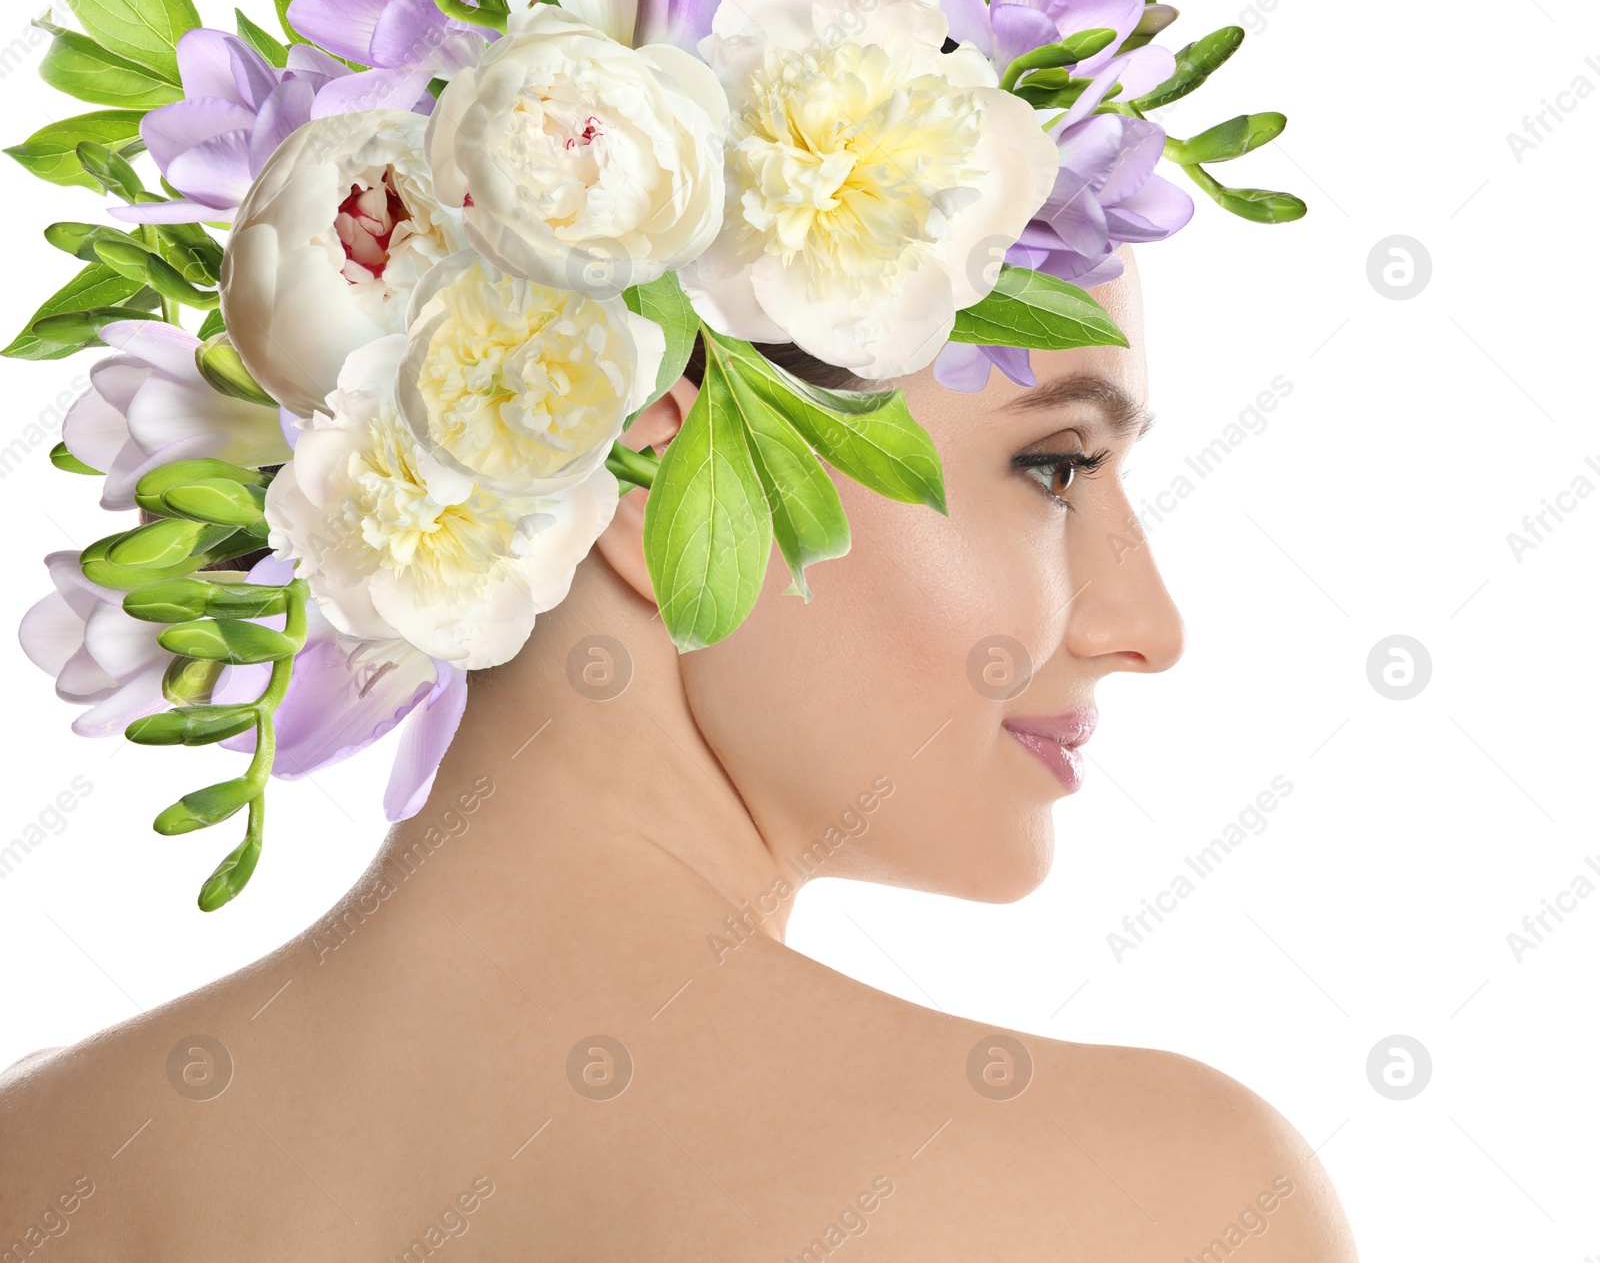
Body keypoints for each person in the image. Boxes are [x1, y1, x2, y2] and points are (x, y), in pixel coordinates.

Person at [0, 242, 1357, 1260]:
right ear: (661, 487)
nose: (1147, 625)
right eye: (1054, 466)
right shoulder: (1156, 1200)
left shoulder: (41, 1155)